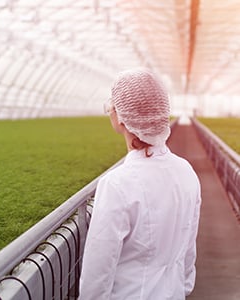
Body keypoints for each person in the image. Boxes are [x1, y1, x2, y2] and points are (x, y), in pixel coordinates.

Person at [78, 69, 201, 300]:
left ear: (122, 118)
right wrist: (181, 288)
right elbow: (188, 250)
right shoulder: (186, 171)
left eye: (111, 107)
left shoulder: (117, 184)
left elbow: (98, 270)